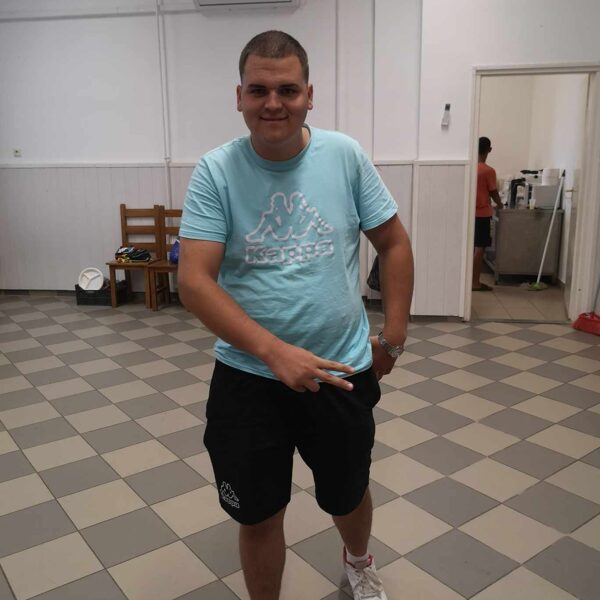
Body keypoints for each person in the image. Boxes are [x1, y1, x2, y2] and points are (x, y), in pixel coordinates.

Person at [178, 30, 414, 600]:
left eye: (287, 90)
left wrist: (394, 337)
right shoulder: (216, 171)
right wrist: (274, 353)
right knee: (258, 513)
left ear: (310, 94)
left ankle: (358, 562)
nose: (273, 103)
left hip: (339, 371)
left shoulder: (345, 156)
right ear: (239, 96)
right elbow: (194, 281)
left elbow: (394, 244)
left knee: (347, 493)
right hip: (248, 378)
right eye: (258, 90)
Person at [473, 136, 503, 291]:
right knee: (480, 249)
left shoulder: (471, 168)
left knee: (472, 249)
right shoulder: (488, 171)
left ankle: (470, 281)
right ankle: (475, 283)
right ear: (489, 150)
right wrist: (500, 204)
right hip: (483, 215)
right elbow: (493, 192)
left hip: (470, 215)